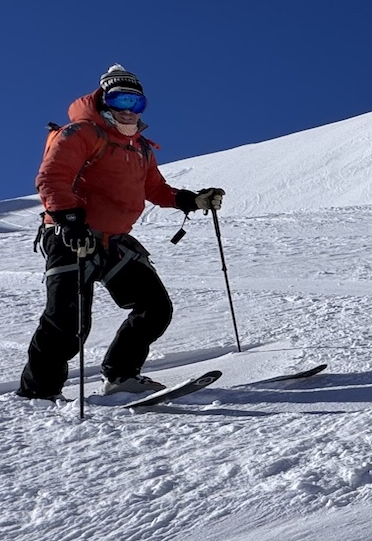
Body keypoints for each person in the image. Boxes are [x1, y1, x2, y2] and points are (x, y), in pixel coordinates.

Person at [16, 65, 225, 400]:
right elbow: (52, 177)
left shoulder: (140, 148)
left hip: (114, 241)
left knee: (154, 308)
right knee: (67, 322)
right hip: (71, 235)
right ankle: (38, 393)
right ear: (103, 101)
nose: (128, 109)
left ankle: (121, 376)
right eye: (119, 99)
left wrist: (191, 199)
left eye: (136, 103)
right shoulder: (80, 133)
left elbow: (155, 188)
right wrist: (70, 222)